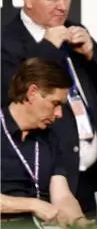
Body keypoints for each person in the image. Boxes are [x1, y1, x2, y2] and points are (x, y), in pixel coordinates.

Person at [1, 0, 97, 218]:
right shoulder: (8, 40)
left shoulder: (74, 32)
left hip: (86, 180)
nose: (62, 6)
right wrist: (46, 49)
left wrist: (93, 55)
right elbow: (11, 94)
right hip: (44, 182)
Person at [0, 58, 90, 227]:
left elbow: (62, 195)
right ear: (32, 92)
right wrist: (33, 204)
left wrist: (79, 220)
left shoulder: (50, 138)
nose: (59, 114)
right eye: (55, 104)